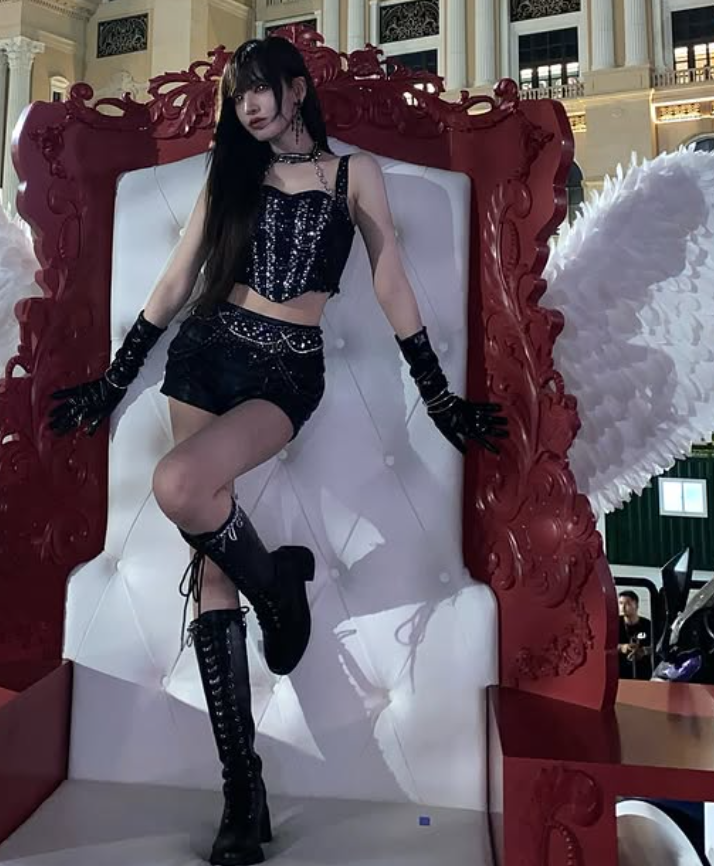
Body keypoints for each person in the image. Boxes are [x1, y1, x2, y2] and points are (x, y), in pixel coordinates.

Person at [48, 36, 508, 866]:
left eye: (259, 89)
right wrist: (113, 381)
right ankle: (242, 788)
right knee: (210, 569)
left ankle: (277, 590)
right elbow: (177, 277)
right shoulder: (231, 174)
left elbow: (390, 280)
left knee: (180, 485)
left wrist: (436, 393)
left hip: (284, 370)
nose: (249, 106)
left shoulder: (352, 174)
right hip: (202, 356)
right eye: (237, 96)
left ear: (296, 90)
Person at [618, 590, 653, 681]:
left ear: (636, 605)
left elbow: (657, 647)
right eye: (621, 603)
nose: (623, 607)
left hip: (643, 673)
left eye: (628, 603)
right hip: (620, 673)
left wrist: (643, 651)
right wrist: (622, 648)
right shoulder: (614, 624)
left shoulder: (648, 625)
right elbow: (604, 646)